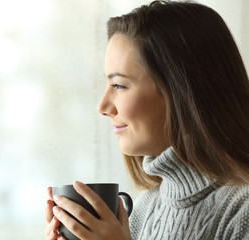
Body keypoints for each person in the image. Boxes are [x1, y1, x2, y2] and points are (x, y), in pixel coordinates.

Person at [45, 0, 249, 239]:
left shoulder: (241, 210)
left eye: (119, 85)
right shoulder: (143, 209)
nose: (102, 107)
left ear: (181, 91)